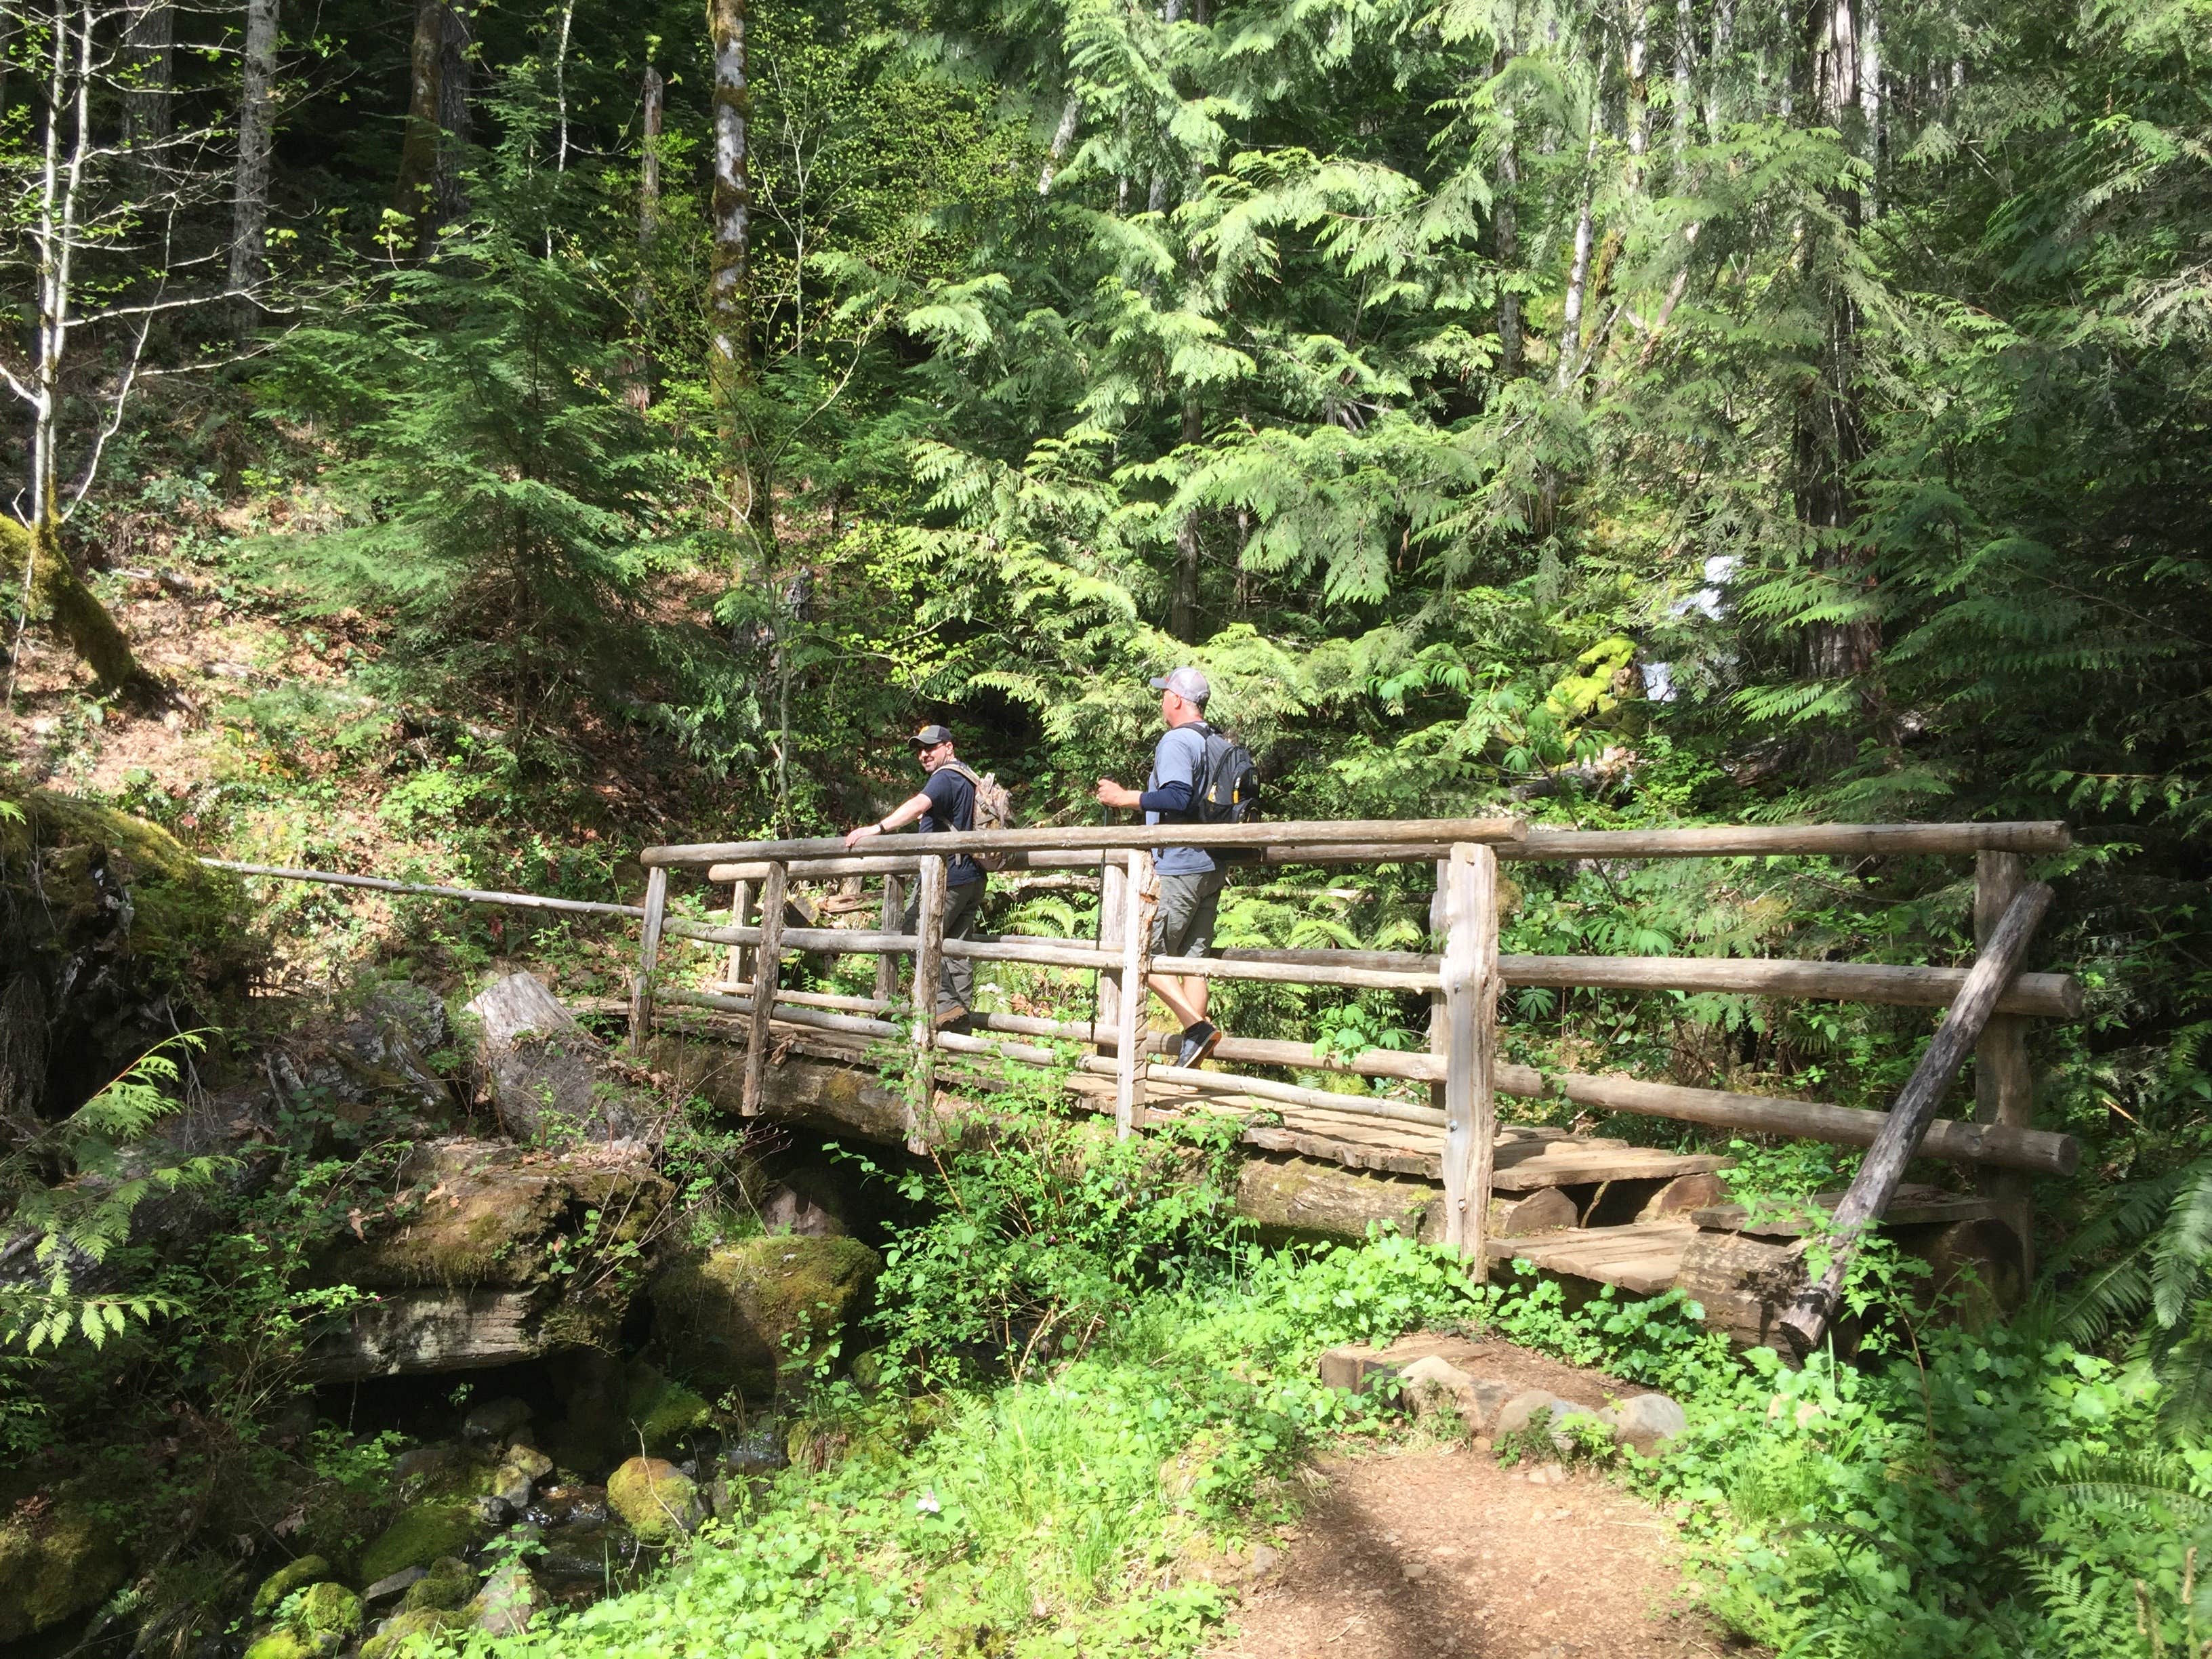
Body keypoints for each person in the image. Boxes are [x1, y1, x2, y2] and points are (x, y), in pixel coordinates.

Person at [1094, 665, 1227, 1069]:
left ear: (1177, 700)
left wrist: (1123, 798)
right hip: (1213, 864)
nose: (1162, 701)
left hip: (1180, 864)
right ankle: (1196, 1052)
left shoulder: (1177, 741)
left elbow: (1176, 797)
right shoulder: (1218, 743)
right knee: (1192, 959)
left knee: (1142, 949)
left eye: (1164, 694)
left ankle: (1195, 1028)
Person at [844, 724, 985, 1029]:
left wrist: (877, 828)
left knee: (914, 936)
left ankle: (945, 1010)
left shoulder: (945, 777)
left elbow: (919, 803)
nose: (923, 754)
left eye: (931, 747)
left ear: (949, 747)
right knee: (956, 949)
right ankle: (958, 1025)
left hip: (947, 878)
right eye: (920, 749)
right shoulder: (968, 778)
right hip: (973, 877)